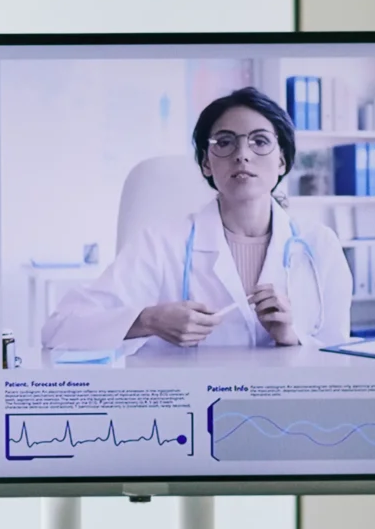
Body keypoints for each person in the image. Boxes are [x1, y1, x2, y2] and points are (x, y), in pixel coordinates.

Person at [43, 86, 352, 359]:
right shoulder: (160, 244)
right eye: (225, 142)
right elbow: (59, 328)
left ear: (282, 159)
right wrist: (147, 320)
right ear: (206, 162)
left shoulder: (319, 244)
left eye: (259, 141)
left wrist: (292, 337)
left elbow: (343, 356)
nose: (242, 154)